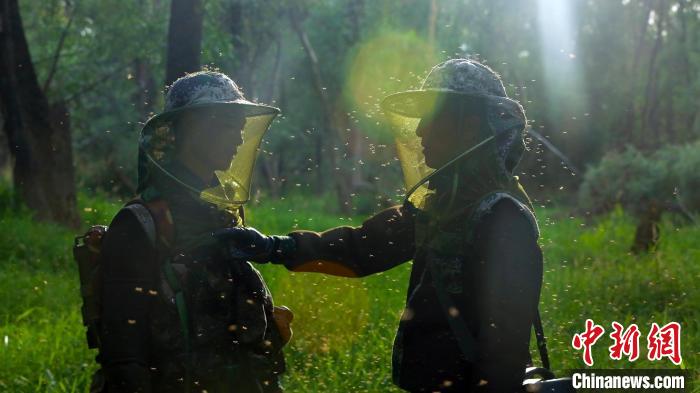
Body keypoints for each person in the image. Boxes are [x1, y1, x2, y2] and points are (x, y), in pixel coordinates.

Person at [218, 59, 544, 392]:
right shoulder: (439, 208)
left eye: (432, 117)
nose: (419, 131)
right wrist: (276, 247)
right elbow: (363, 248)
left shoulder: (503, 218)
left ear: (469, 125)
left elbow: (504, 353)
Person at [96, 71, 290, 393]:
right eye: (229, 127)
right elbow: (124, 355)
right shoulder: (140, 223)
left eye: (241, 128)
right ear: (192, 128)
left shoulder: (219, 212)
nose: (239, 140)